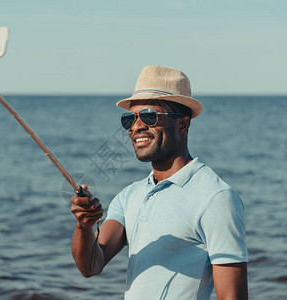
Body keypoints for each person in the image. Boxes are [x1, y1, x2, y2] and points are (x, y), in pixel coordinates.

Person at [71, 65, 248, 300]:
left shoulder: (215, 197)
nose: (136, 126)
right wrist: (84, 226)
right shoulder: (129, 196)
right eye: (129, 119)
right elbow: (91, 265)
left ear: (182, 124)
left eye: (148, 116)